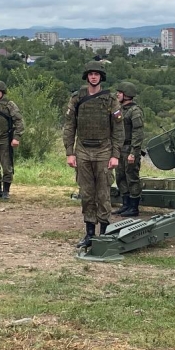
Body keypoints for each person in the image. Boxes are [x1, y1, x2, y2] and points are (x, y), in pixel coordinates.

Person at [62, 60, 124, 248]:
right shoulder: (77, 97)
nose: (94, 76)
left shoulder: (110, 100)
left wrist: (115, 155)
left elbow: (118, 129)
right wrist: (69, 152)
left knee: (103, 193)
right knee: (87, 193)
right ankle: (89, 232)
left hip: (104, 151)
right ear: (87, 76)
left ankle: (104, 232)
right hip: (82, 151)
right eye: (91, 74)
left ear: (101, 77)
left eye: (97, 74)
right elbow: (69, 126)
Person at [112, 81, 145, 217]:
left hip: (130, 148)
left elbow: (138, 133)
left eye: (119, 93)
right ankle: (125, 204)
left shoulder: (135, 111)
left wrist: (133, 152)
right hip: (119, 148)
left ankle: (134, 207)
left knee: (132, 177)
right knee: (120, 177)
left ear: (126, 95)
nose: (117, 94)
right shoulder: (119, 109)